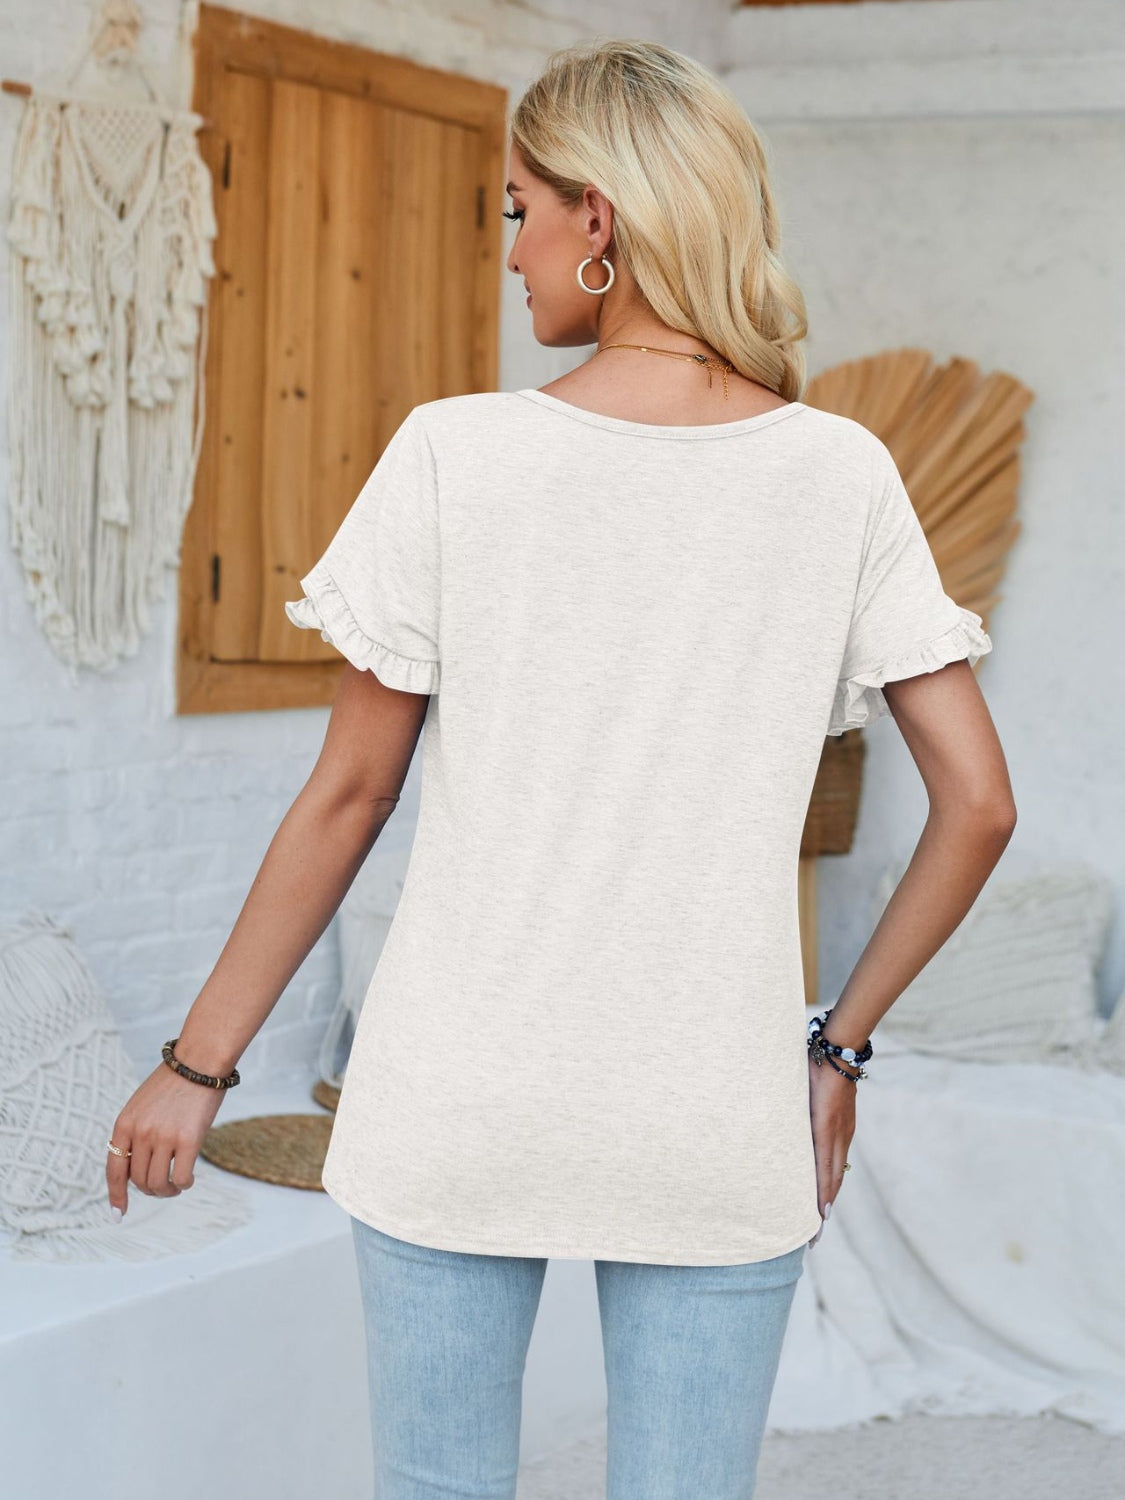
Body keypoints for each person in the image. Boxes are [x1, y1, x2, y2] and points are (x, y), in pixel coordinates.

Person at [105, 38, 1017, 1500]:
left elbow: (349, 794)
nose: (511, 250)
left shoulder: (452, 455)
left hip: (458, 1096)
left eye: (519, 210)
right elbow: (978, 807)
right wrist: (836, 1050)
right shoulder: (839, 472)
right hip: (711, 1115)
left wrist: (193, 1068)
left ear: (600, 218)